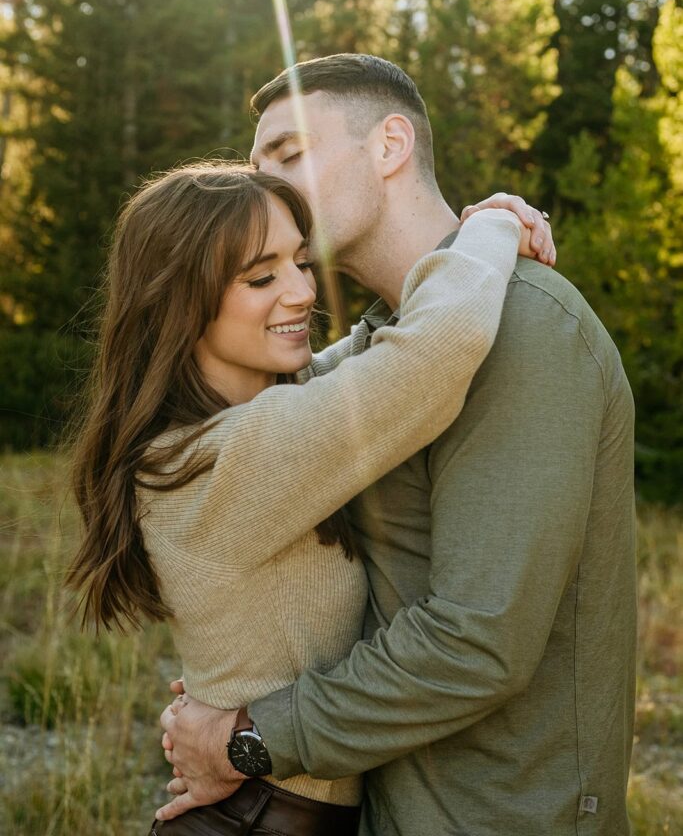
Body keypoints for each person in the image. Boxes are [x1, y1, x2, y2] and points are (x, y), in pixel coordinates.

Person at [158, 55, 636, 836]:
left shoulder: (524, 328)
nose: (269, 190)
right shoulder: (386, 349)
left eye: (289, 155)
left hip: (502, 814)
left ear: (388, 147)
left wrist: (249, 737)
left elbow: (475, 640)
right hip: (392, 804)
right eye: (257, 169)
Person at [66, 159, 545, 836]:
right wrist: (492, 225)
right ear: (180, 299)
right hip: (260, 820)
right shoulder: (222, 458)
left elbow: (368, 354)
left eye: (300, 261)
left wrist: (462, 236)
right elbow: (436, 351)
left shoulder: (231, 431)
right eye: (261, 277)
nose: (299, 292)